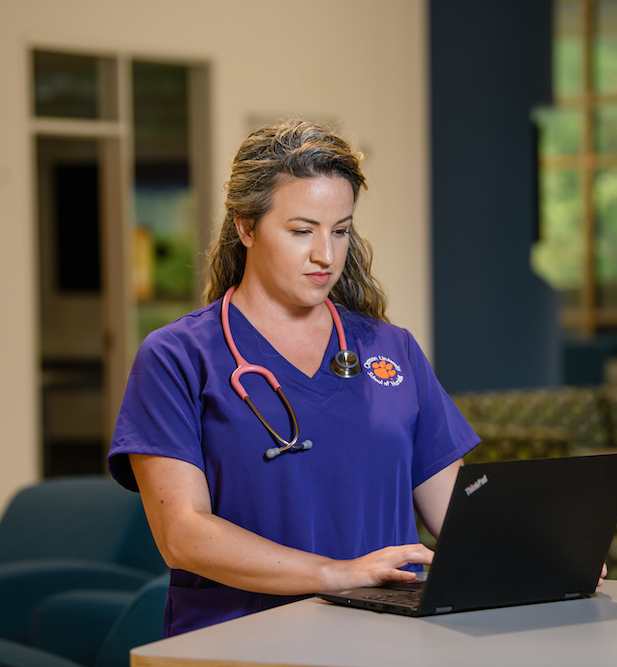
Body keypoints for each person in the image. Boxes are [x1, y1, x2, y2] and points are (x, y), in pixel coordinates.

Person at [108, 120, 476, 637]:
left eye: (341, 230)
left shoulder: (392, 351)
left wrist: (527, 557)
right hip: (241, 641)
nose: (326, 255)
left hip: (385, 640)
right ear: (246, 227)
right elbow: (182, 533)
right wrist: (336, 575)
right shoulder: (177, 358)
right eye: (302, 231)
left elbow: (454, 511)